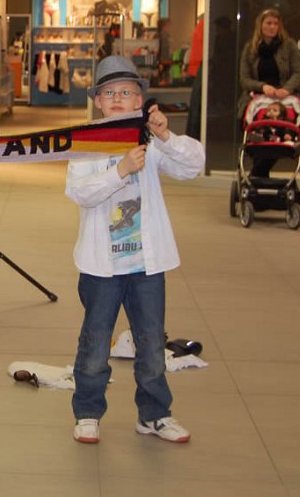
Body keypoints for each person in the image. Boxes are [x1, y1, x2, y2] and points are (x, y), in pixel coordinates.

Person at [66, 55, 205, 445]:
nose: (117, 99)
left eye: (126, 92)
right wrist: (121, 170)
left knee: (151, 342)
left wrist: (166, 136)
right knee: (95, 341)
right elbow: (79, 192)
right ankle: (88, 412)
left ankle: (155, 414)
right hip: (101, 267)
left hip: (147, 264)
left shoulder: (151, 140)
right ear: (97, 101)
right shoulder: (86, 142)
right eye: (109, 93)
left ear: (140, 101)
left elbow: (193, 165)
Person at [239, 8, 300, 176]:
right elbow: (244, 79)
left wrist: (286, 89)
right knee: (255, 123)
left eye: (276, 24)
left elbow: (298, 72)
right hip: (257, 97)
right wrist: (262, 87)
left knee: (282, 124)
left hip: (283, 97)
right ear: (260, 25)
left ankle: (257, 174)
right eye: (268, 23)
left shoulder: (289, 45)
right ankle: (259, 174)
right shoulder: (250, 48)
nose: (272, 27)